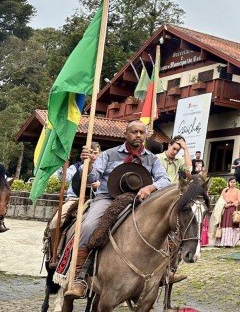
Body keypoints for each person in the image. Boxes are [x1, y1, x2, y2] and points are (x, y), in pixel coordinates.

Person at [66, 120, 171, 300]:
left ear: (145, 135)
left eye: (141, 132)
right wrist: (89, 164)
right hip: (108, 198)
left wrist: (150, 188)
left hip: (139, 200)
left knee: (166, 229)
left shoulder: (152, 158)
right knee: (89, 226)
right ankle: (79, 277)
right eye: (134, 132)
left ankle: (165, 271)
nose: (138, 135)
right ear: (126, 134)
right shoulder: (108, 154)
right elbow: (92, 178)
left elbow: (165, 180)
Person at [216, 177, 240, 247]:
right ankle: (222, 242)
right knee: (224, 224)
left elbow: (238, 200)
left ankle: (230, 242)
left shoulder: (237, 191)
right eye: (231, 182)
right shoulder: (225, 190)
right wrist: (224, 204)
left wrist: (231, 204)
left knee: (231, 224)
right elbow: (221, 199)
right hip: (224, 209)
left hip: (232, 209)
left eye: (234, 182)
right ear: (229, 182)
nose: (233, 183)